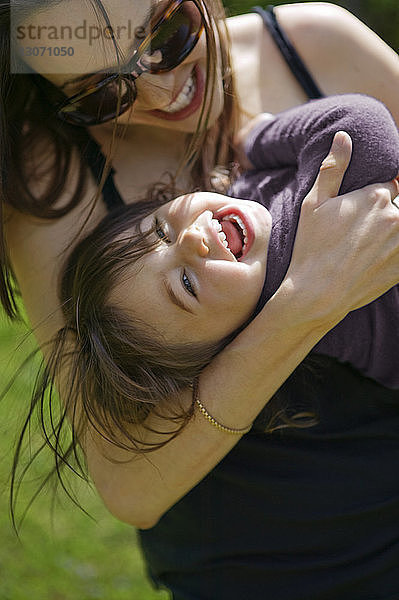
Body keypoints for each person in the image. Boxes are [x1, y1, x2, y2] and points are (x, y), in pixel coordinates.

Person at [3, 1, 399, 598]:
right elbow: (129, 486)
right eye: (100, 92)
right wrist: (304, 302)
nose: (160, 90)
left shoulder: (316, 44)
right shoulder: (53, 172)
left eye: (169, 33)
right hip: (272, 571)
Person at [57, 93, 399, 424]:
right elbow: (359, 128)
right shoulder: (292, 274)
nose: (191, 239)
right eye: (186, 284)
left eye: (161, 231)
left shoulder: (242, 204)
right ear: (229, 344)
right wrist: (258, 139)